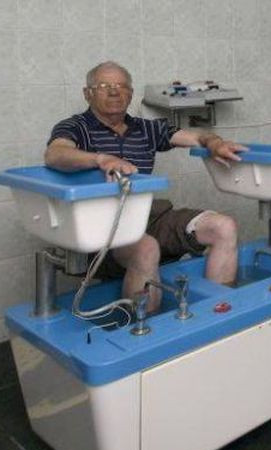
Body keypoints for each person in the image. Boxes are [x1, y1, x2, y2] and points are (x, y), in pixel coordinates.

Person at [45, 61, 246, 312]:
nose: (114, 91)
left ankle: (219, 314)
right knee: (146, 247)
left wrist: (214, 143)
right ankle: (145, 328)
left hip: (146, 217)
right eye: (104, 86)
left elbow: (198, 136)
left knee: (224, 227)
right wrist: (100, 159)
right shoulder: (76, 127)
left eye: (121, 86)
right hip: (102, 229)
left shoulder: (146, 128)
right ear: (88, 93)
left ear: (130, 94)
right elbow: (55, 154)